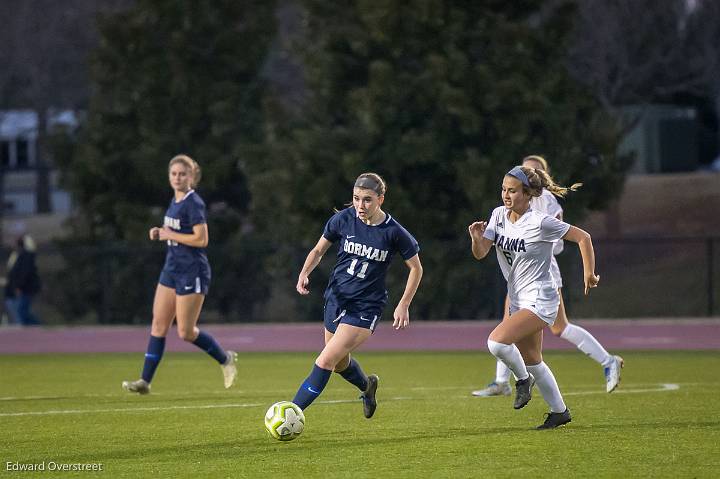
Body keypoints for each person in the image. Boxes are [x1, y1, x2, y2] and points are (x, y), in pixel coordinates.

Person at [472, 156, 623, 397]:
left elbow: (566, 239)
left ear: (536, 181)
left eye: (532, 171)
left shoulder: (547, 203)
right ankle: (509, 382)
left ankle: (507, 380)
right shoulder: (504, 210)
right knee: (541, 330)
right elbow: (484, 247)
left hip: (540, 271)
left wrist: (535, 247)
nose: (526, 174)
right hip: (520, 274)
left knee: (543, 328)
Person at [289, 172, 423, 418]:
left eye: (368, 200)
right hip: (336, 298)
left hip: (365, 306)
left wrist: (404, 303)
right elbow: (319, 250)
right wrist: (304, 272)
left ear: (381, 199)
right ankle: (367, 386)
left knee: (326, 359)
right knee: (340, 363)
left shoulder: (393, 232)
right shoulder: (343, 219)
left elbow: (416, 267)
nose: (361, 205)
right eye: (356, 198)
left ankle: (292, 411)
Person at [122, 154, 237, 394]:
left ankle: (225, 359)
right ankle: (145, 381)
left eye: (182, 174)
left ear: (191, 177)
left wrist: (168, 235)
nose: (177, 178)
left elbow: (201, 239)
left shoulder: (193, 203)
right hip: (171, 269)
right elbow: (174, 231)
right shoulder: (174, 200)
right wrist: (160, 232)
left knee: (185, 331)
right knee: (158, 324)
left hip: (192, 271)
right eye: (173, 174)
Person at [4, 235, 42, 326]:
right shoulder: (17, 255)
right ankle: (35, 327)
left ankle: (37, 326)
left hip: (25, 288)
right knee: (20, 311)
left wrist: (18, 286)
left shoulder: (27, 255)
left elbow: (24, 273)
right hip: (16, 289)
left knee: (21, 311)